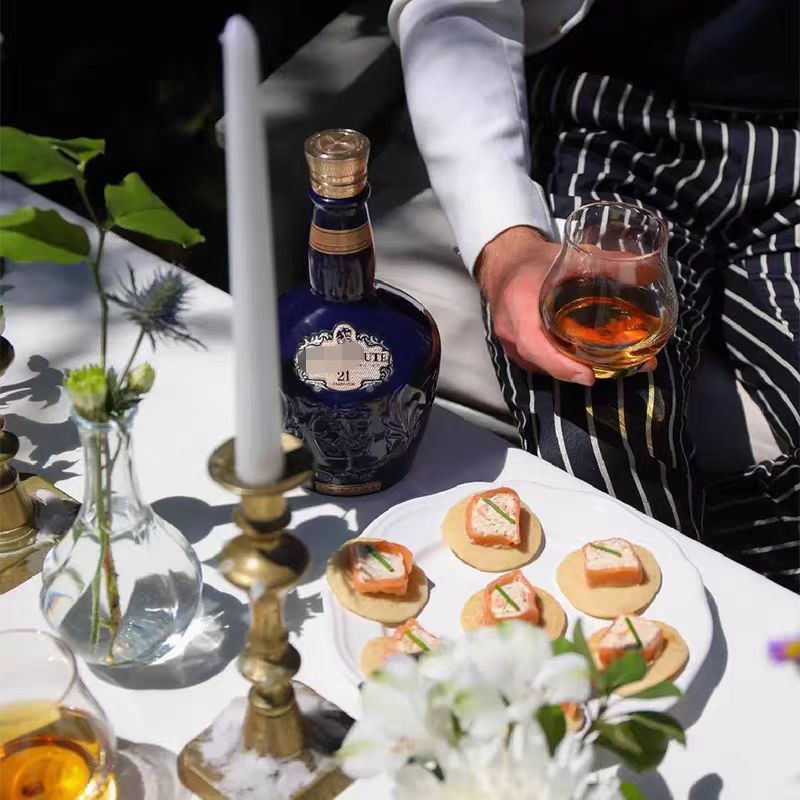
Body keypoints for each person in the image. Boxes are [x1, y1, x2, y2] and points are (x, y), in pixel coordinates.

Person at [388, 0, 799, 590]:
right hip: (608, 123)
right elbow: (458, 12)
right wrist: (506, 246)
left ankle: (707, 574)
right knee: (598, 449)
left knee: (618, 551)